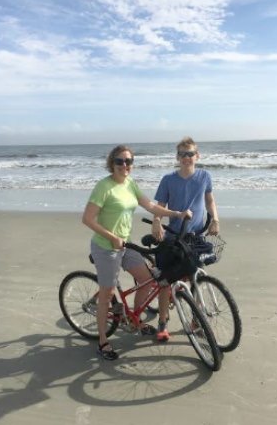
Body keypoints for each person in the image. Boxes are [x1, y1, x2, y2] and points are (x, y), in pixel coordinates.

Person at [82, 144, 192, 361]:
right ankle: (103, 340)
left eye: (129, 161)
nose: (125, 165)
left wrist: (177, 214)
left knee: (148, 280)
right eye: (120, 161)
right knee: (107, 293)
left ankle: (134, 320)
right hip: (106, 247)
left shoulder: (130, 183)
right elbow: (87, 219)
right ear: (111, 164)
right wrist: (112, 237)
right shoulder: (104, 187)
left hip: (125, 244)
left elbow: (150, 206)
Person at [152, 136, 220, 342]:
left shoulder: (204, 176)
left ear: (197, 156)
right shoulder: (168, 180)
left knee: (197, 278)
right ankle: (162, 323)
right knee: (165, 280)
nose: (186, 157)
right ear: (177, 157)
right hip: (173, 237)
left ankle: (195, 321)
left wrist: (215, 219)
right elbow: (159, 205)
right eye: (182, 154)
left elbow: (210, 200)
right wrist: (156, 220)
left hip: (196, 237)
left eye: (190, 154)